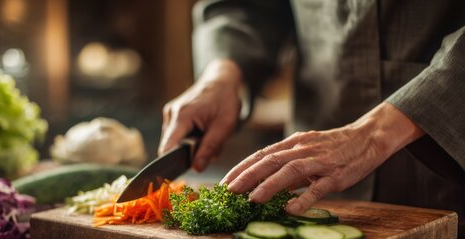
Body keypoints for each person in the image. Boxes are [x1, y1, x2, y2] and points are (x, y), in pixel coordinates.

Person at [158, 0, 465, 217]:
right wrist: (223, 71)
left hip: (448, 187)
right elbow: (244, 6)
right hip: (310, 182)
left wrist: (376, 133)